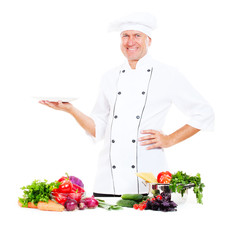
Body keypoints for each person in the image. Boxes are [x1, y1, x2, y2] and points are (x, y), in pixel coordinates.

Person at [39, 12, 214, 197]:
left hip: (149, 183)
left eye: (137, 35)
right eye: (125, 36)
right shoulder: (109, 77)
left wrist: (169, 139)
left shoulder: (167, 74)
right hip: (107, 183)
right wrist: (70, 110)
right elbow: (99, 129)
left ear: (149, 40)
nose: (131, 42)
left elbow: (204, 113)